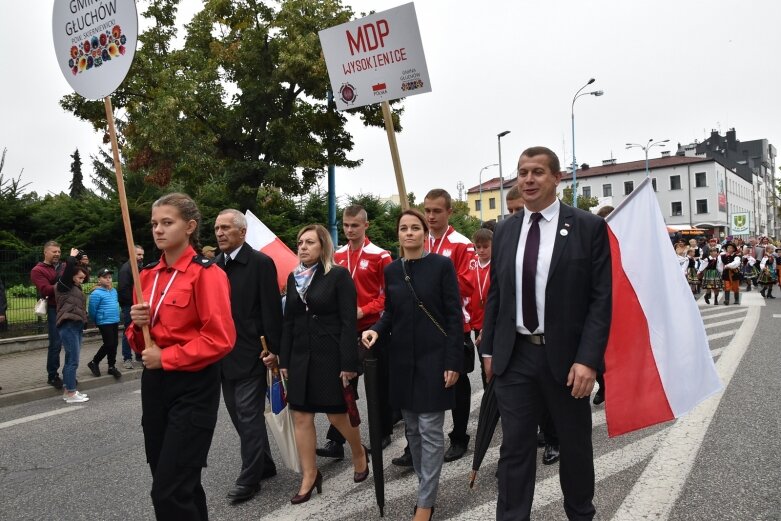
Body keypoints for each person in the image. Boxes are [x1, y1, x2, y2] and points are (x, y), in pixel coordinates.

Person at [481, 146, 612, 520]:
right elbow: (497, 295)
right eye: (522, 172)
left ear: (557, 178)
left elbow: (601, 300)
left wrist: (589, 360)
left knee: (573, 447)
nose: (528, 179)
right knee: (515, 450)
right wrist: (489, 350)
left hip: (567, 360)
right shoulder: (504, 230)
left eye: (538, 172)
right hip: (515, 356)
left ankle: (580, 514)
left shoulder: (587, 227)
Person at [127, 193, 236, 520]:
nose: (158, 230)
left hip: (193, 386)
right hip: (155, 385)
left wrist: (169, 358)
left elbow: (221, 338)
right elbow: (139, 343)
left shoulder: (206, 274)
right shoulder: (144, 275)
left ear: (189, 227)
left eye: (167, 222)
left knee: (168, 490)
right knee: (175, 481)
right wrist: (136, 326)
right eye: (154, 224)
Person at [362, 209, 463, 521]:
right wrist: (375, 330)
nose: (409, 233)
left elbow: (453, 316)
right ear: (398, 235)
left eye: (415, 228)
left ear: (424, 233)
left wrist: (453, 360)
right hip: (402, 360)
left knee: (431, 431)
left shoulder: (442, 266)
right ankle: (425, 487)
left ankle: (425, 502)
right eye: (403, 228)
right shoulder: (392, 271)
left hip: (434, 359)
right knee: (413, 433)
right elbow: (391, 313)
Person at [279, 224, 369, 505]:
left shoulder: (338, 276)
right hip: (300, 357)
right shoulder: (293, 278)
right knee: (301, 416)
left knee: (336, 414)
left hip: (330, 354)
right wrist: (284, 358)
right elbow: (289, 321)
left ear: (323, 247)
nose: (303, 247)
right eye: (300, 242)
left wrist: (348, 362)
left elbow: (347, 322)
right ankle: (310, 474)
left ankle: (358, 452)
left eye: (309, 242)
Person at [214, 209, 282, 503]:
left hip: (252, 353)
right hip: (221, 355)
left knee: (248, 414)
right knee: (238, 416)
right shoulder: (213, 266)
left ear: (242, 232)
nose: (219, 233)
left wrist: (275, 352)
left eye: (226, 227)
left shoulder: (260, 263)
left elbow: (270, 310)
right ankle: (264, 463)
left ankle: (249, 478)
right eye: (217, 228)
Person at [317, 205, 393, 460]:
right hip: (343, 330)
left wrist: (364, 310)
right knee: (343, 383)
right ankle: (336, 440)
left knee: (376, 385)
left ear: (365, 226)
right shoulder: (336, 256)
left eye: (355, 225)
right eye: (346, 225)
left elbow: (388, 296)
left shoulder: (380, 256)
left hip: (372, 329)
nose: (349, 230)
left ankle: (382, 433)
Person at [422, 188, 475, 464]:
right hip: (423, 326)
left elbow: (467, 284)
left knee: (458, 383)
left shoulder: (461, 244)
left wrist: (434, 282)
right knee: (425, 381)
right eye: (427, 210)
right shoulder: (418, 240)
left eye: (436, 211)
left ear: (449, 212)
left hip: (455, 325)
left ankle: (459, 436)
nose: (430, 216)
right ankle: (415, 443)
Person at [56, 249, 91, 403]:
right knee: (73, 360)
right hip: (68, 325)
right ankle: (71, 393)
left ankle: (68, 390)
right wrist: (71, 257)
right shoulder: (63, 285)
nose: (81, 280)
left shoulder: (75, 287)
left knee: (71, 359)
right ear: (70, 276)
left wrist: (78, 260)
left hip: (76, 325)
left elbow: (77, 268)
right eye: (79, 278)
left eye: (83, 278)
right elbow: (69, 267)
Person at [30, 240, 64, 389]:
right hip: (53, 309)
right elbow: (46, 290)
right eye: (54, 251)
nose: (57, 254)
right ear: (45, 252)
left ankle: (69, 374)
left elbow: (82, 278)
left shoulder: (65, 266)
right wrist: (64, 283)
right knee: (56, 343)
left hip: (68, 307)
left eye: (59, 252)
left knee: (70, 344)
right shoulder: (38, 270)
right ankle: (52, 375)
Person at [87, 268, 122, 378]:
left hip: (114, 320)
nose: (108, 279)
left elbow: (116, 304)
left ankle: (111, 366)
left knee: (114, 344)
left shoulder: (113, 291)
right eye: (105, 277)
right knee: (109, 344)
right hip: (104, 322)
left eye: (109, 277)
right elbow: (92, 310)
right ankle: (94, 362)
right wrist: (96, 320)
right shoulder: (96, 293)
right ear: (99, 279)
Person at [470, 227, 493, 388]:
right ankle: (488, 402)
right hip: (476, 322)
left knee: (492, 365)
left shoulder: (497, 266)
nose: (482, 250)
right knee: (482, 365)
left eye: (486, 246)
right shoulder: (471, 265)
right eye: (478, 247)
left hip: (491, 323)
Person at [118, 245, 144, 369]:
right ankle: (127, 358)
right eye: (138, 254)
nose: (141, 257)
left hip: (136, 303)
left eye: (142, 255)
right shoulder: (126, 269)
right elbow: (123, 289)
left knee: (139, 329)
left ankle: (139, 354)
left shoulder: (138, 267)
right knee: (129, 330)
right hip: (130, 305)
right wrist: (133, 303)